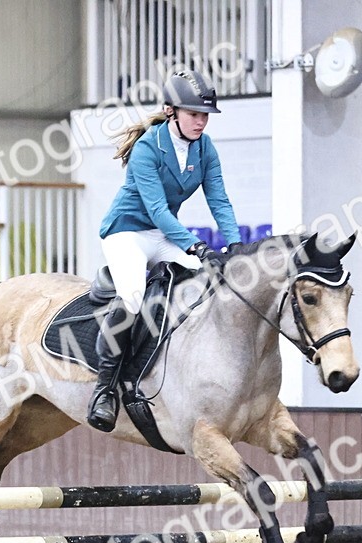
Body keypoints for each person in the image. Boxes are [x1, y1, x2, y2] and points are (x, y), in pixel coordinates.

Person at [87, 68, 242, 432]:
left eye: (205, 115)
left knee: (206, 282)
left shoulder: (205, 149)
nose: (201, 122)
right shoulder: (147, 148)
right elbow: (156, 209)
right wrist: (196, 244)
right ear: (172, 110)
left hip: (160, 234)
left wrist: (236, 245)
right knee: (133, 296)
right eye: (194, 114)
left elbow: (219, 199)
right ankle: (104, 390)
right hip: (126, 233)